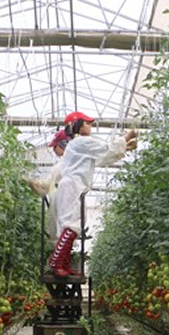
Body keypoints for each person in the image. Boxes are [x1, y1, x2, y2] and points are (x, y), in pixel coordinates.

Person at [48, 111, 138, 277]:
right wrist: (126, 138)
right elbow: (105, 149)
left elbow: (101, 158)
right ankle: (56, 262)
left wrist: (125, 148)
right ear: (77, 126)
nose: (90, 126)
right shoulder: (81, 142)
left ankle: (63, 264)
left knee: (74, 225)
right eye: (87, 123)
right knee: (71, 225)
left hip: (74, 186)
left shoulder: (77, 145)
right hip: (72, 186)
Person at [29, 129, 71, 248]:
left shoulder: (69, 164)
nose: (53, 150)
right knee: (61, 239)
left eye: (55, 146)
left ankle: (60, 264)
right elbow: (47, 186)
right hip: (59, 206)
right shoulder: (60, 165)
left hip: (66, 207)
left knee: (64, 236)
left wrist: (37, 184)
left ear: (63, 145)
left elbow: (48, 186)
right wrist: (33, 183)